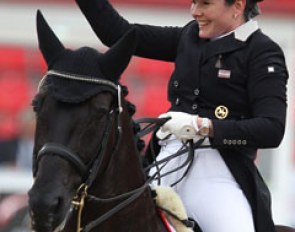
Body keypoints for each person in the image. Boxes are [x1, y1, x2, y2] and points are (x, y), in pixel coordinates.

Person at [75, 0, 289, 231]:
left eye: (205, 3)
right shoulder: (189, 36)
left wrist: (204, 127)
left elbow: (271, 129)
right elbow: (117, 34)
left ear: (237, 6)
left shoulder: (262, 52)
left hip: (218, 174)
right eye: (193, 2)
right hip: (164, 163)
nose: (195, 11)